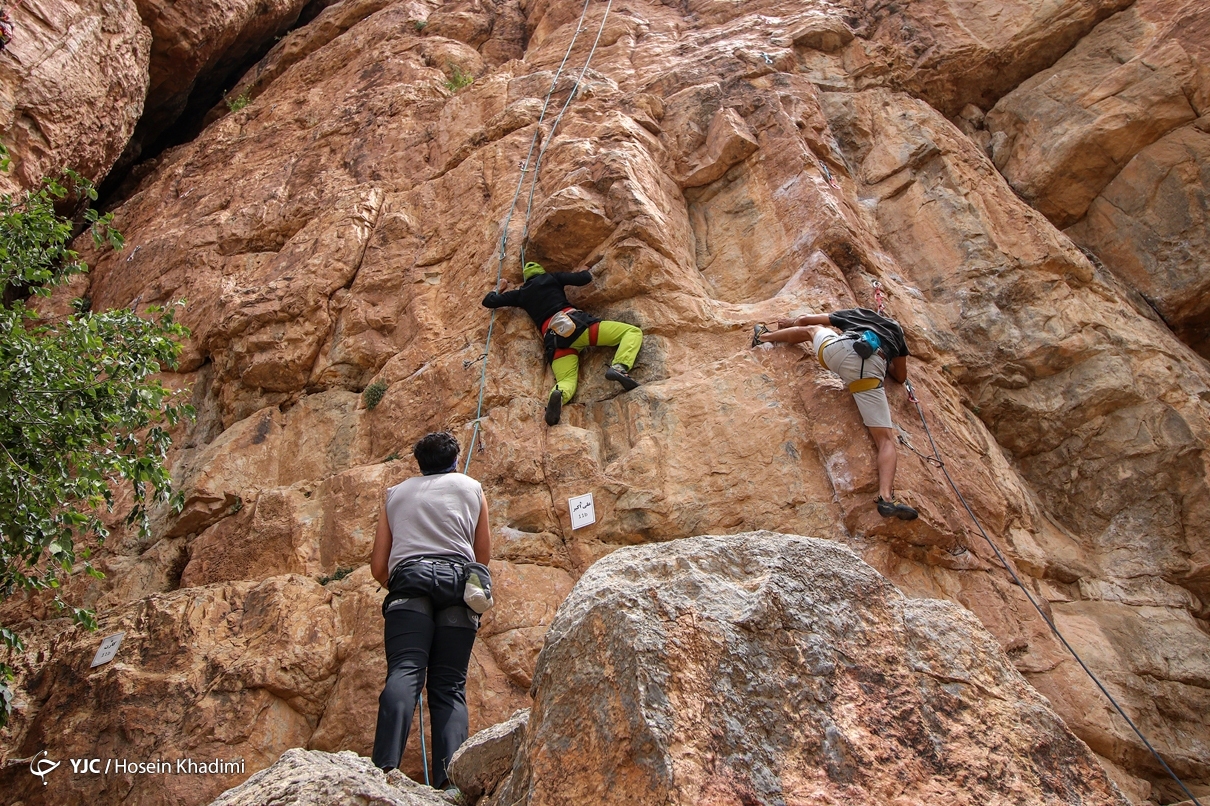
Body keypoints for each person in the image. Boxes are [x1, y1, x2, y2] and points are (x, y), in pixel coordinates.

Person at [370, 431, 492, 789]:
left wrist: (407, 585)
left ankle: (383, 768)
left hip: (410, 580)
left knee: (405, 670)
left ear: (419, 465)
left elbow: (379, 567)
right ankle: (450, 784)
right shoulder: (472, 488)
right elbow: (481, 555)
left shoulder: (395, 495)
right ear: (455, 460)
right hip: (458, 583)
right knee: (449, 686)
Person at [752, 307, 919, 520]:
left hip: (839, 351)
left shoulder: (860, 314)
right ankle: (886, 498)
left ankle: (763, 336)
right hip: (871, 371)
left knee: (813, 329)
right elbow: (901, 376)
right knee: (885, 440)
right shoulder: (896, 332)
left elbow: (806, 320)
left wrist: (790, 323)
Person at [482, 261, 643, 426]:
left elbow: (489, 301)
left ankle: (558, 396)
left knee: (566, 379)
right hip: (577, 326)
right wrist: (584, 269)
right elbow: (584, 279)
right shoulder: (552, 278)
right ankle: (619, 367)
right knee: (631, 332)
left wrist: (499, 288)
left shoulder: (521, 294)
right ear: (541, 270)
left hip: (554, 340)